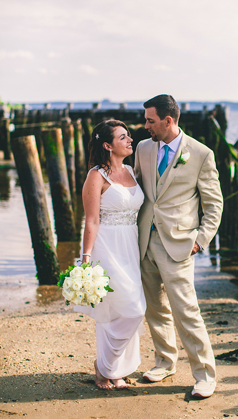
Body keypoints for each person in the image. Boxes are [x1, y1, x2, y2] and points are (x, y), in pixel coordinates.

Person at [134, 94, 222, 399]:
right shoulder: (143, 148)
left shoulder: (200, 153)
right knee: (155, 307)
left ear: (168, 121)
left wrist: (201, 239)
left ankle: (205, 375)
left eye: (150, 120)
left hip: (180, 244)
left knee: (186, 310)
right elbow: (137, 189)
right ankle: (165, 361)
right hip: (145, 239)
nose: (145, 125)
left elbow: (214, 204)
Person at [76, 119, 147, 390]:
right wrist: (85, 258)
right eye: (122, 137)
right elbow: (91, 221)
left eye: (128, 135)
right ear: (107, 145)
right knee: (131, 310)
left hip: (131, 246)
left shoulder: (130, 170)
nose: (130, 140)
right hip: (107, 248)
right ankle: (103, 367)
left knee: (121, 311)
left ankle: (115, 371)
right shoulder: (96, 176)